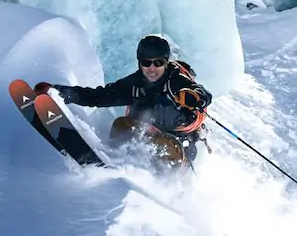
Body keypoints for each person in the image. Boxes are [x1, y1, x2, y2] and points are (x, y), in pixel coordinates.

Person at [49, 35, 211, 167]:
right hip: (146, 136)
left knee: (162, 125)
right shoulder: (133, 84)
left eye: (158, 63)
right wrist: (66, 93)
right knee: (122, 124)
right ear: (139, 63)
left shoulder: (175, 81)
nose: (152, 68)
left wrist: (194, 96)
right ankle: (117, 160)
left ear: (166, 62)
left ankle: (160, 174)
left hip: (180, 144)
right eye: (146, 63)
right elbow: (99, 96)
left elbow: (203, 94)